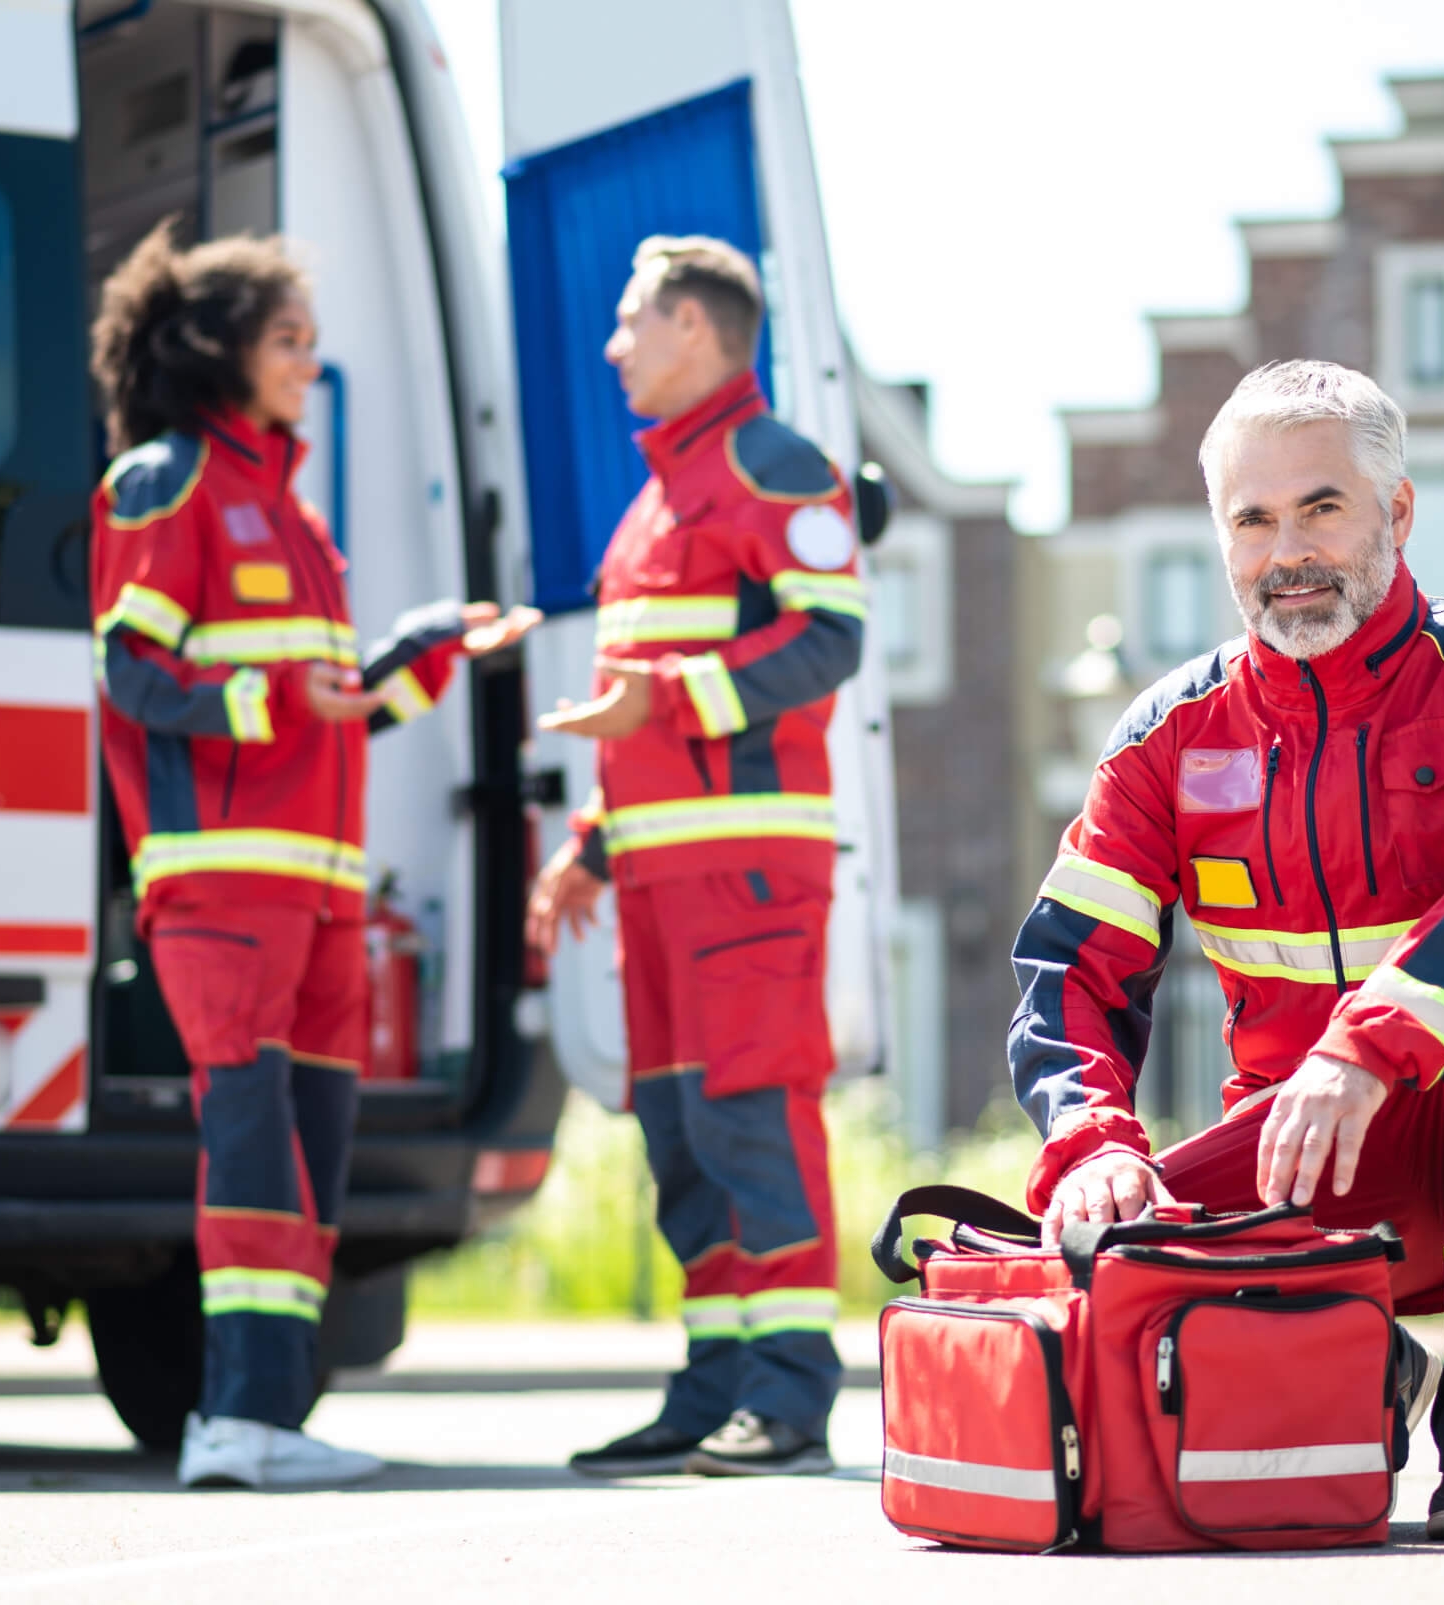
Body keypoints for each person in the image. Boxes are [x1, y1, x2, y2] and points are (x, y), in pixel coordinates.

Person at [1010, 360, 1444, 1541]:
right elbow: (1072, 963)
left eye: (1322, 506)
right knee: (1101, 1240)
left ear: (1398, 513)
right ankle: (1354, 1364)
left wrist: (1368, 1045)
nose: (1289, 552)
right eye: (1254, 520)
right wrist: (1090, 1144)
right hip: (1303, 1148)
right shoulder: (1167, 737)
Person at [89, 220, 538, 1489]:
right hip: (222, 877)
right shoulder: (162, 485)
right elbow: (132, 674)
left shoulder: (291, 517)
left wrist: (432, 651)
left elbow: (341, 707)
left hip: (320, 886)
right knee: (253, 1147)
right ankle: (232, 1420)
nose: (307, 364)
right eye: (289, 341)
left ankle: (271, 1418)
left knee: (313, 1151)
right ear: (217, 349)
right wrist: (284, 700)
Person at [529, 235, 866, 1478]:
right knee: (679, 1132)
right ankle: (715, 1384)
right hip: (664, 877)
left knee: (753, 1117)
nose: (613, 347)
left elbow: (829, 642)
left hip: (750, 872)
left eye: (631, 322)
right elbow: (640, 725)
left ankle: (788, 1394)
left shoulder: (776, 465)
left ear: (693, 327)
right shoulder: (653, 499)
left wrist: (666, 697)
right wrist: (588, 850)